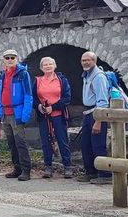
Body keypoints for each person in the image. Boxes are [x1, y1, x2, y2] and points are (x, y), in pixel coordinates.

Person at [0, 49, 34, 181]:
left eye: (12, 57)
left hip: (17, 114)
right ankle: (17, 169)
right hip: (5, 114)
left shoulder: (22, 74)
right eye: (7, 58)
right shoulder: (2, 75)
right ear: (4, 60)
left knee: (20, 142)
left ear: (17, 59)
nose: (10, 60)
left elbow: (28, 95)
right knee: (11, 143)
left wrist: (25, 114)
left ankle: (26, 170)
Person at [35, 57, 74, 179]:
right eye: (45, 65)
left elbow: (67, 97)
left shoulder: (62, 80)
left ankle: (67, 166)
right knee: (45, 142)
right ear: (41, 68)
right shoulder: (37, 81)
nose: (48, 66)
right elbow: (33, 98)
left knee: (62, 141)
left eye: (50, 64)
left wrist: (53, 107)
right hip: (43, 116)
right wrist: (39, 106)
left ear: (54, 66)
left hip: (58, 115)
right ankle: (48, 166)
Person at [80, 51, 112, 184]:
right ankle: (91, 172)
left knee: (98, 145)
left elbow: (103, 101)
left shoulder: (98, 77)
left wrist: (98, 121)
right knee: (86, 144)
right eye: (83, 60)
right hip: (88, 113)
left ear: (95, 61)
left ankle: (105, 175)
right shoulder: (86, 75)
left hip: (96, 113)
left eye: (88, 60)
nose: (85, 62)